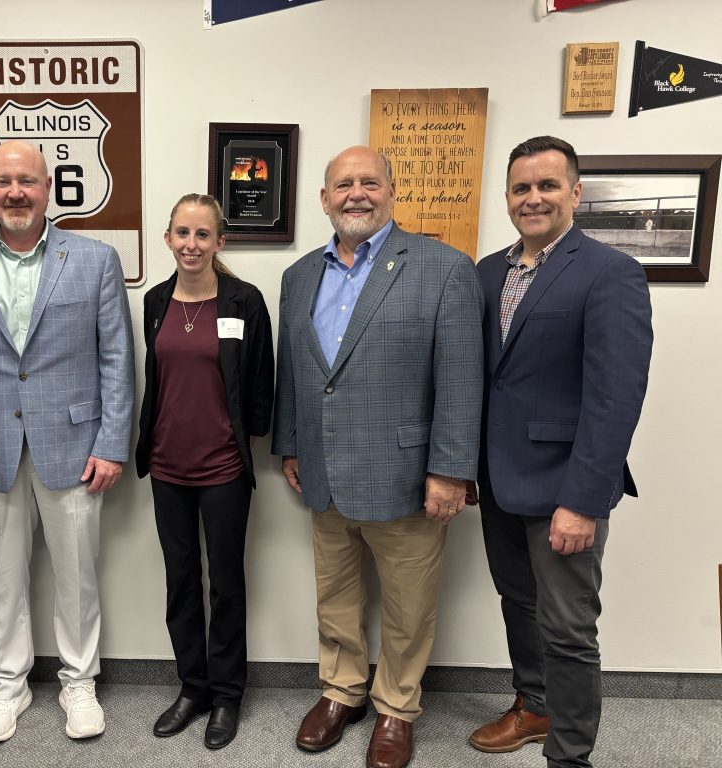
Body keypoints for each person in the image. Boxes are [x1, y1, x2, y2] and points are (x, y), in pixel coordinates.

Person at [272, 146, 483, 768]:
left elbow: (461, 379)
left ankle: (396, 706)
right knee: (335, 593)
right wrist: (290, 443)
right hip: (323, 470)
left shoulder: (444, 269)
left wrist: (450, 470)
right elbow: (295, 371)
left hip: (407, 474)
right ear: (324, 199)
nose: (356, 194)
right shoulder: (299, 276)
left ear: (392, 192)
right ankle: (342, 690)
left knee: (408, 603)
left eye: (369, 182)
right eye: (343, 185)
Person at [0, 140, 134, 743]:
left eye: (27, 181)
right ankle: (7, 685)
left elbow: (117, 359)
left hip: (75, 445)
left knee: (78, 574)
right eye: (3, 182)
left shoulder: (94, 259)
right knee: (2, 577)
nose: (15, 192)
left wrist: (112, 442)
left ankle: (79, 682)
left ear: (48, 187)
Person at [468, 136, 652, 768]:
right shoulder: (487, 272)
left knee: (568, 629)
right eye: (521, 188)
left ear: (575, 192)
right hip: (498, 482)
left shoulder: (609, 272)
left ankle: (569, 756)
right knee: (518, 605)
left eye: (547, 185)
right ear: (507, 197)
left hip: (564, 488)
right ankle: (534, 707)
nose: (533, 198)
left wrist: (582, 501)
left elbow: (615, 398)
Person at [135, 194, 274, 750]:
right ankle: (192, 688)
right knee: (181, 583)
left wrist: (242, 438)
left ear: (220, 241)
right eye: (182, 233)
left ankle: (226, 696)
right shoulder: (155, 301)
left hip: (223, 469)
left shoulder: (245, 301)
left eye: (202, 234)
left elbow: (260, 383)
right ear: (168, 238)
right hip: (167, 467)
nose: (191, 245)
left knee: (227, 586)